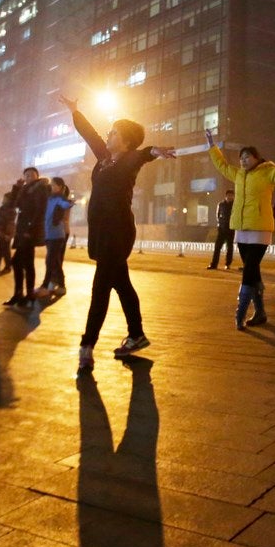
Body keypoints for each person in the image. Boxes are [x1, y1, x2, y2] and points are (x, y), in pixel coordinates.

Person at [58, 94, 176, 373]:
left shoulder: (128, 161)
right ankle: (136, 335)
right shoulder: (104, 160)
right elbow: (90, 135)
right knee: (121, 285)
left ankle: (86, 347)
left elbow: (143, 154)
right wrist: (76, 110)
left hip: (117, 232)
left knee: (100, 290)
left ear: (125, 141)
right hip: (101, 232)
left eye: (114, 133)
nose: (108, 136)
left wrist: (155, 151)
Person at [207, 133, 275, 329]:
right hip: (241, 229)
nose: (243, 160)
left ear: (257, 158)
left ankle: (240, 313)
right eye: (241, 157)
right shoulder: (238, 174)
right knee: (253, 271)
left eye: (247, 156)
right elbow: (222, 166)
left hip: (259, 229)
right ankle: (260, 313)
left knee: (248, 271)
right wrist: (212, 147)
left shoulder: (268, 172)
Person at [8, 167, 49, 306]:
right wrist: (17, 188)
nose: (29, 176)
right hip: (23, 230)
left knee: (18, 262)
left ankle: (24, 293)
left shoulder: (40, 188)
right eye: (26, 175)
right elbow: (13, 204)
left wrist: (30, 229)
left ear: (37, 176)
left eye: (31, 174)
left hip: (29, 232)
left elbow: (40, 210)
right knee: (26, 262)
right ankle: (23, 294)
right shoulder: (25, 189)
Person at [40, 177, 73, 297]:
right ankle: (59, 283)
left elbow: (65, 206)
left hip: (60, 233)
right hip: (50, 234)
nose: (51, 188)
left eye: (54, 186)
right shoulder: (50, 199)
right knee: (56, 260)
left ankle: (46, 285)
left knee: (51, 260)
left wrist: (68, 203)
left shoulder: (60, 200)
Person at [207, 189, 235, 270]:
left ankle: (228, 264)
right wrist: (220, 225)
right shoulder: (221, 204)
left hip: (231, 229)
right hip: (222, 229)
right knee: (217, 247)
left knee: (229, 247)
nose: (230, 197)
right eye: (229, 195)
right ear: (226, 196)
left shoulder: (235, 205)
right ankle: (214, 264)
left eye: (232, 196)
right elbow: (218, 215)